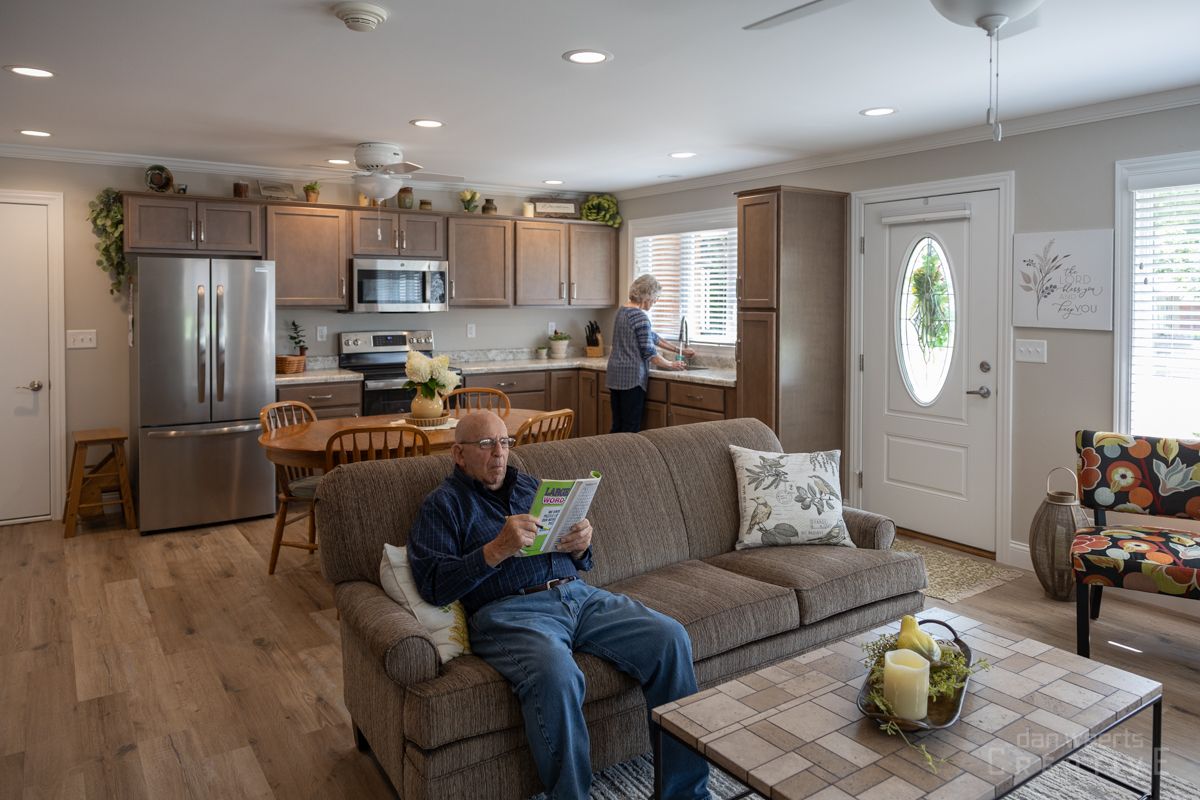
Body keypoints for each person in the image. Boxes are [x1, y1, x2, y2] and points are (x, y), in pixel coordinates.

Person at [407, 411, 710, 800]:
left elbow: (581, 558)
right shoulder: (443, 506)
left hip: (578, 596)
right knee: (557, 675)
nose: (499, 454)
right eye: (485, 444)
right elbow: (433, 585)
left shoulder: (532, 489)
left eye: (505, 442)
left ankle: (685, 793)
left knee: (670, 637)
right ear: (459, 454)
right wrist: (497, 549)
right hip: (510, 613)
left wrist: (583, 545)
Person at [606, 275, 696, 433]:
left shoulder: (622, 311)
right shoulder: (640, 317)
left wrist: (678, 350)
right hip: (631, 380)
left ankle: (612, 457)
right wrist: (671, 364)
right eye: (656, 298)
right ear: (647, 296)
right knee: (630, 429)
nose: (656, 302)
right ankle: (628, 458)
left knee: (617, 426)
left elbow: (651, 337)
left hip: (615, 376)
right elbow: (650, 353)